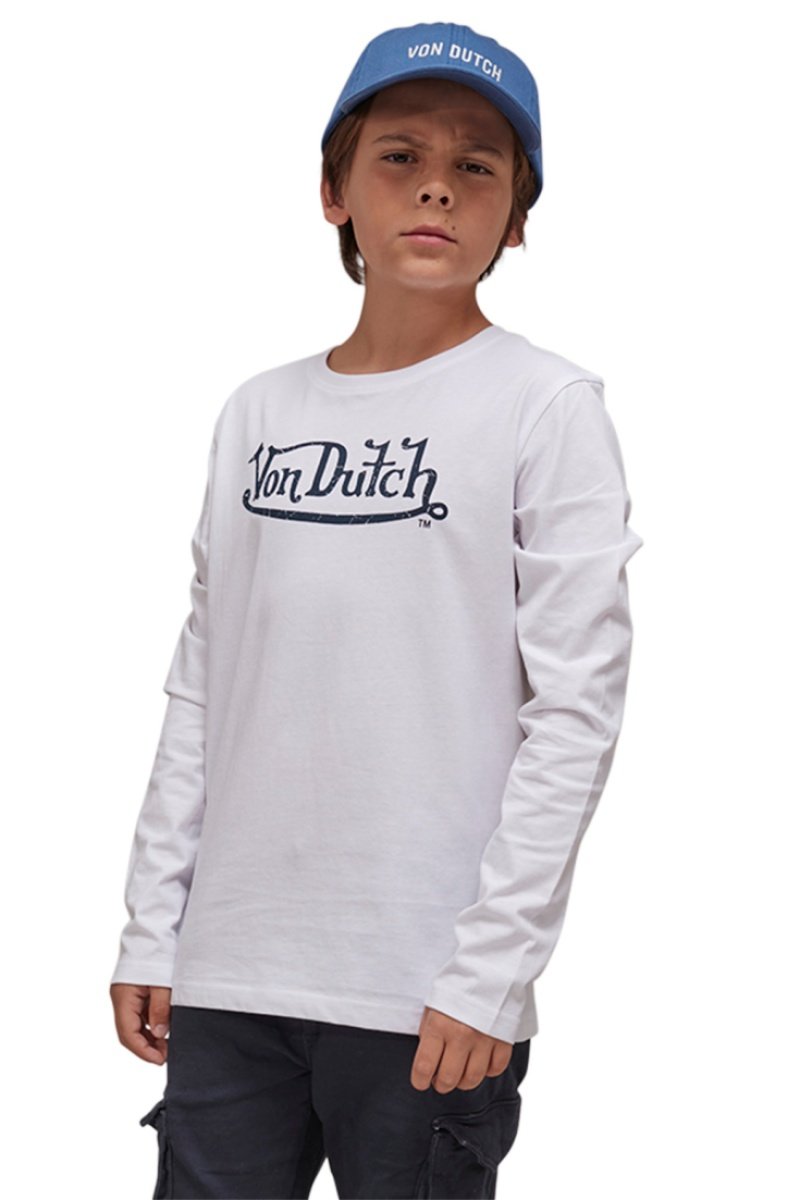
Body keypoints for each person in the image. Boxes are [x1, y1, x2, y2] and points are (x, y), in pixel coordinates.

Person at [109, 20, 644, 1200]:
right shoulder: (256, 413)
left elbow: (575, 714)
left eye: (476, 167)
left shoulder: (544, 407)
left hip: (423, 989)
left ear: (516, 219)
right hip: (231, 973)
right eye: (399, 157)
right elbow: (203, 685)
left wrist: (489, 973)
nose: (436, 188)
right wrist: (155, 927)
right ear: (332, 192)